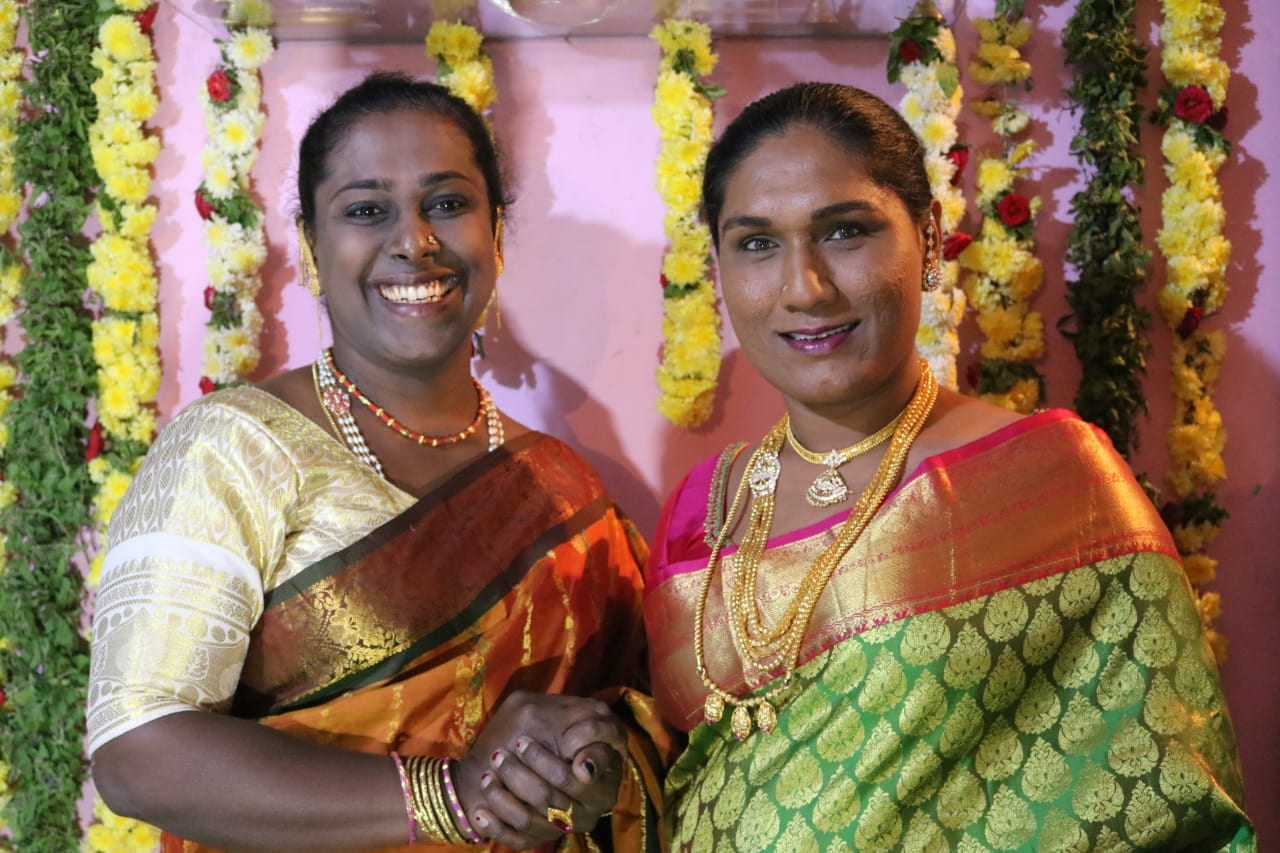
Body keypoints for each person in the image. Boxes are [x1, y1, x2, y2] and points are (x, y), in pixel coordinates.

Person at [644, 82, 1254, 851]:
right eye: (757, 243)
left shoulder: (1053, 480)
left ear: (929, 240)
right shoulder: (702, 509)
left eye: (845, 231)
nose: (803, 288)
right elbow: (675, 773)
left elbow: (1168, 809)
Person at [87, 72, 671, 853]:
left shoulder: (564, 486)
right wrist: (451, 797)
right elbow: (139, 751)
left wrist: (593, 769)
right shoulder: (232, 449)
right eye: (367, 210)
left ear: (495, 234)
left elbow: (645, 720)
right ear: (312, 248)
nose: (415, 240)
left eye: (448, 203)